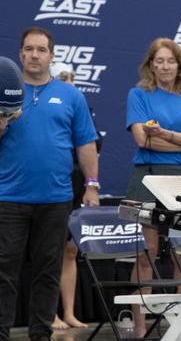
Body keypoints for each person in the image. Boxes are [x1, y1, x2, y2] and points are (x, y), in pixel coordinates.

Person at [0, 27, 99, 341]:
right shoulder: (1, 92)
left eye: (41, 49)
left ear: (51, 56)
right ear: (20, 54)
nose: (35, 55)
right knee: (2, 270)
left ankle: (41, 333)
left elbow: (86, 143)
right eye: (29, 49)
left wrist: (92, 185)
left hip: (55, 199)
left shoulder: (71, 96)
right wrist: (0, 121)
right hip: (9, 198)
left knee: (48, 270)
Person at [125, 37, 181, 338]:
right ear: (151, 65)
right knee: (146, 254)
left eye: (170, 61)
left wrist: (163, 135)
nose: (164, 66)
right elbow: (141, 139)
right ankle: (140, 330)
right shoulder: (139, 94)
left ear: (179, 65)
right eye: (159, 61)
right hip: (147, 178)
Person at [48, 62, 103, 330]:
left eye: (71, 77)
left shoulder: (80, 108)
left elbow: (92, 147)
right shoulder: (47, 106)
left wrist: (91, 185)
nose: (69, 82)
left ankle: (68, 312)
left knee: (70, 251)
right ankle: (49, 314)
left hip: (77, 182)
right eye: (62, 78)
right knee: (49, 250)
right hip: (52, 180)